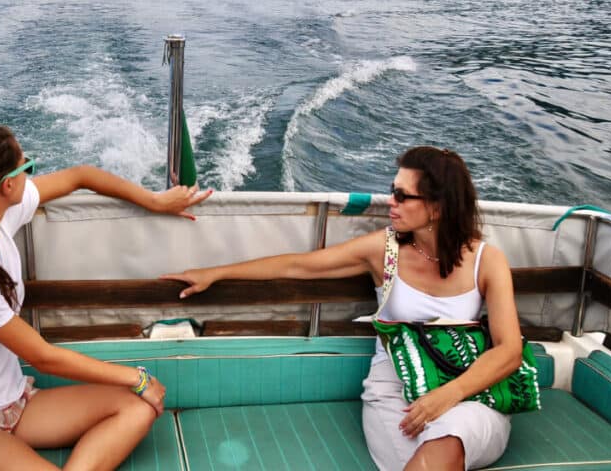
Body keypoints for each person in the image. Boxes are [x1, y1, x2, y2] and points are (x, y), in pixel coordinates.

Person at [161, 146, 522, 471]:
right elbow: (299, 266)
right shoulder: (386, 251)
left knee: (448, 441)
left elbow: (509, 350)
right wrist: (216, 273)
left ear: (437, 207)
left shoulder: (485, 261)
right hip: (394, 394)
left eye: (401, 194)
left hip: (468, 394)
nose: (389, 201)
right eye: (391, 189)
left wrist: (446, 397)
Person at [0, 121, 212, 471]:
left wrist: (154, 201)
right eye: (28, 167)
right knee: (139, 392)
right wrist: (138, 377)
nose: (32, 174)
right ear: (7, 185)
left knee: (138, 407)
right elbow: (44, 357)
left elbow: (80, 176)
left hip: (16, 404)